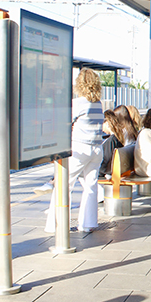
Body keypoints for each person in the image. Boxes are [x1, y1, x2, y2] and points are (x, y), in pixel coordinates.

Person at [45, 68, 105, 235]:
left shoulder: (78, 103)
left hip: (79, 149)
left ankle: (55, 224)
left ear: (79, 84)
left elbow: (64, 124)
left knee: (63, 185)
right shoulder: (98, 104)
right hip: (96, 150)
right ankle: (88, 223)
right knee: (91, 186)